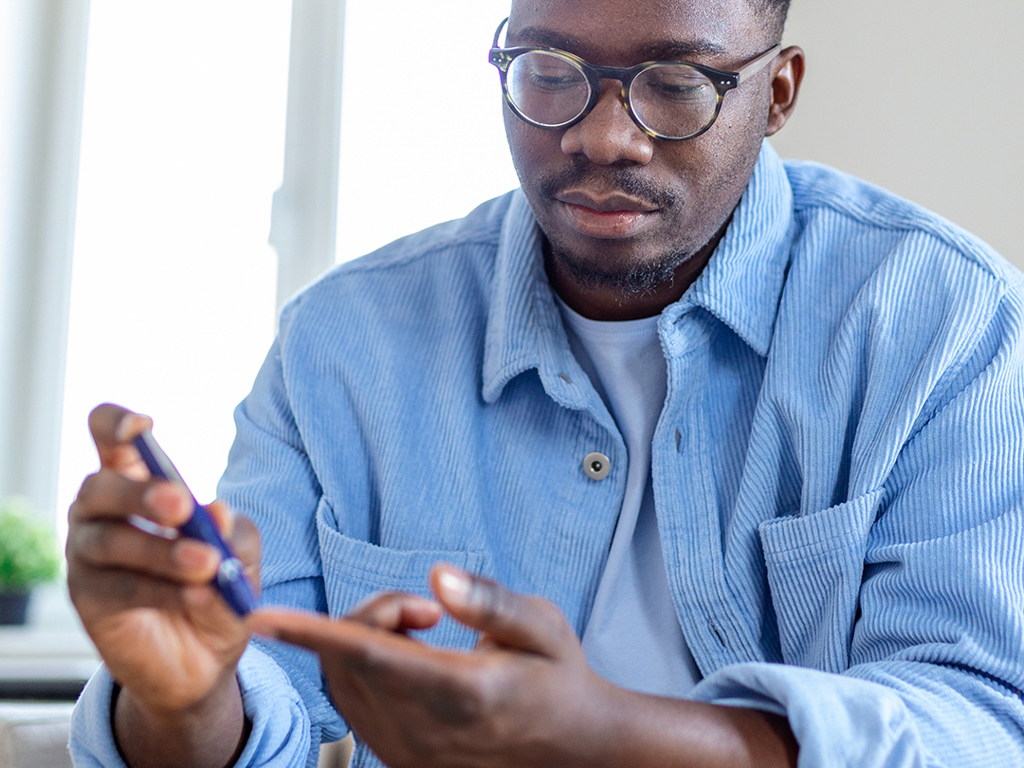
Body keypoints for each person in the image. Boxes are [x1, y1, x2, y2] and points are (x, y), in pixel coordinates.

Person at [66, 0, 1024, 766]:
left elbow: (983, 721)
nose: (605, 136)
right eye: (552, 74)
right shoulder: (341, 345)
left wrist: (610, 738)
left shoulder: (945, 321)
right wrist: (184, 701)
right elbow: (256, 714)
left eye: (679, 83)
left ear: (778, 92)